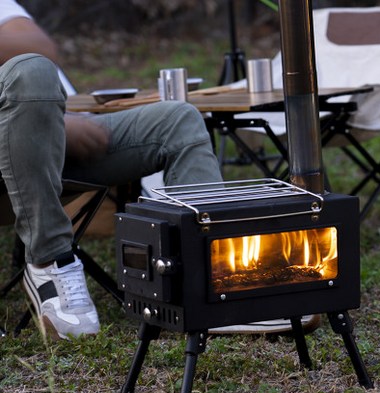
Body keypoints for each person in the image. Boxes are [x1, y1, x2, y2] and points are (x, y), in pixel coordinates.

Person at [0, 0, 223, 340]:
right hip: (13, 156)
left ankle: (209, 280)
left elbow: (36, 46)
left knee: (177, 121)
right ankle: (51, 261)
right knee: (31, 74)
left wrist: (52, 120)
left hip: (55, 140)